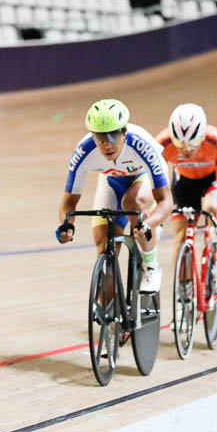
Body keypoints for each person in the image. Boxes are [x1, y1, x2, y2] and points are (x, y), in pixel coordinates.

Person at [57, 99, 173, 293]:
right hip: (110, 182)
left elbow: (166, 201)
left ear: (124, 132)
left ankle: (151, 265)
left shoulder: (142, 145)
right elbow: (69, 202)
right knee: (103, 248)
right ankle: (109, 312)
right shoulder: (84, 151)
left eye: (112, 136)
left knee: (132, 202)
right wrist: (66, 224)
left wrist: (149, 224)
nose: (106, 144)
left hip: (141, 179)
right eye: (100, 137)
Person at [155, 103, 217, 293]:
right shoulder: (162, 143)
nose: (185, 149)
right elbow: (155, 183)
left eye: (192, 143)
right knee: (181, 236)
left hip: (212, 181)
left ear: (202, 136)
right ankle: (183, 293)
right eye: (180, 144)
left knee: (213, 211)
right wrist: (156, 217)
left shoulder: (216, 141)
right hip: (184, 183)